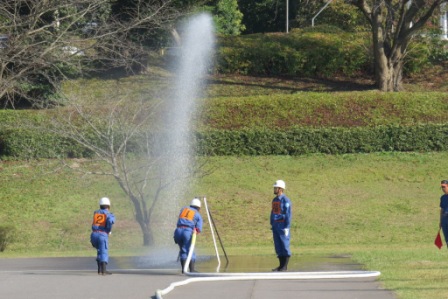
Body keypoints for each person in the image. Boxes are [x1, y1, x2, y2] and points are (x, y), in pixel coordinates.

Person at [173, 197, 203, 273]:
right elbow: (198, 228)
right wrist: (195, 231)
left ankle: (183, 269)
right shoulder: (197, 214)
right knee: (190, 250)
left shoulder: (184, 209)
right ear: (198, 207)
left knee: (183, 250)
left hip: (178, 231)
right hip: (187, 232)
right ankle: (191, 270)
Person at [270, 180, 292, 271]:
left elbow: (288, 214)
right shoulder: (275, 200)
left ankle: (284, 266)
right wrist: (272, 222)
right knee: (278, 245)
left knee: (284, 245)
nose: (274, 189)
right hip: (276, 226)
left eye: (276, 188)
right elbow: (273, 212)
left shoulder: (285, 200)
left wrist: (287, 226)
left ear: (280, 189)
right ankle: (280, 265)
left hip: (283, 226)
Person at [90, 197, 115, 275]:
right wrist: (109, 230)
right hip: (102, 235)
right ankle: (104, 270)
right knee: (103, 251)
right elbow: (110, 221)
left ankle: (99, 270)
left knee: (99, 251)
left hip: (94, 234)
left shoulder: (96, 213)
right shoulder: (108, 214)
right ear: (108, 206)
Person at [440, 180, 448, 247]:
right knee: (447, 240)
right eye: (441, 187)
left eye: (444, 187)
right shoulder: (442, 198)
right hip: (444, 221)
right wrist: (440, 221)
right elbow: (442, 209)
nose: (442, 189)